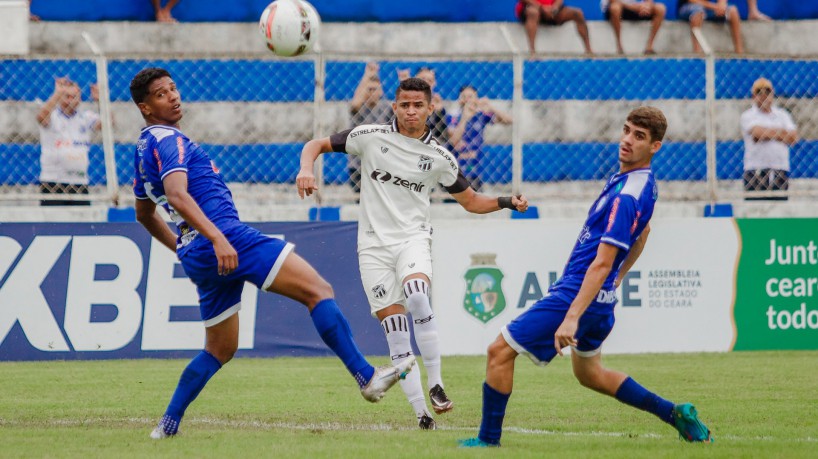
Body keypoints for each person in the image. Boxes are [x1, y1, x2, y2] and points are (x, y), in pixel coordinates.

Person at [128, 67, 414, 439]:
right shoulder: (169, 140)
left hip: (199, 252)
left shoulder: (142, 149)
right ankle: (366, 377)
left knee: (219, 349)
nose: (174, 96)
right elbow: (178, 196)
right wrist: (217, 238)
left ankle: (167, 425)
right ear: (145, 107)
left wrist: (183, 250)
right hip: (226, 237)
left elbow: (143, 213)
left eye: (173, 88)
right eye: (162, 94)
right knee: (318, 290)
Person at [458, 107, 714, 447]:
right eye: (626, 131)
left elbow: (601, 263)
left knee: (499, 351)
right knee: (591, 375)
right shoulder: (642, 184)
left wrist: (571, 317)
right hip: (600, 299)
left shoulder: (626, 196)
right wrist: (617, 280)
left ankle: (487, 442)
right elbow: (644, 232)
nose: (627, 140)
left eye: (639, 136)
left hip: (578, 293)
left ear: (655, 147)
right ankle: (675, 413)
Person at [297, 78, 529, 430]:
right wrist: (304, 169)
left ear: (430, 107)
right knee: (395, 329)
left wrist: (506, 201)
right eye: (404, 104)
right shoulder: (370, 136)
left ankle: (436, 384)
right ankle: (421, 413)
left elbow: (471, 201)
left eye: (417, 105)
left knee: (418, 297)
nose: (410, 111)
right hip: (373, 247)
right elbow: (315, 144)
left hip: (412, 239)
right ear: (395, 106)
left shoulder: (438, 156)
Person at [36, 77, 101, 206]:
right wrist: (57, 93)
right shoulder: (53, 116)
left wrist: (101, 101)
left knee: (81, 225)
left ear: (80, 98)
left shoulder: (85, 117)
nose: (70, 100)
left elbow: (107, 124)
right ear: (60, 97)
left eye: (74, 96)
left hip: (79, 182)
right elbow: (41, 117)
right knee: (51, 224)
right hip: (53, 182)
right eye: (66, 96)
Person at [740, 77, 798, 201]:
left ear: (772, 94)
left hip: (779, 169)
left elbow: (792, 137)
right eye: (759, 93)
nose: (764, 96)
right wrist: (781, 134)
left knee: (779, 211)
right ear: (753, 96)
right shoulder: (748, 115)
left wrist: (767, 134)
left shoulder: (782, 115)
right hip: (755, 170)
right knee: (754, 210)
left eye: (767, 92)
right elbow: (757, 133)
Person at [446, 85, 512, 192]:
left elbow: (508, 120)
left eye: (470, 96)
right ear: (460, 99)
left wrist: (490, 107)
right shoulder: (453, 116)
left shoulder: (480, 115)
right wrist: (465, 118)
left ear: (476, 99)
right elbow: (453, 140)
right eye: (464, 96)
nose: (467, 100)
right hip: (456, 167)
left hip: (475, 166)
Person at [348, 62, 394, 197]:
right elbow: (355, 103)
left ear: (381, 91)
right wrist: (367, 75)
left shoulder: (386, 108)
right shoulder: (360, 109)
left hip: (382, 164)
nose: (373, 93)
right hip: (359, 166)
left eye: (375, 89)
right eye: (369, 89)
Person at [515, 0, 593, 55]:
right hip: (532, 7)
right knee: (533, 12)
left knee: (578, 13)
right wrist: (542, 7)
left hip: (552, 11)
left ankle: (588, 51)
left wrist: (554, 8)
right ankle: (532, 52)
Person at [399, 67, 449, 144]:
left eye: (430, 80)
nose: (426, 83)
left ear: (434, 83)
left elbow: (443, 135)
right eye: (422, 79)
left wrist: (439, 112)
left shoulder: (438, 105)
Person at [677, 0, 744, 54]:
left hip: (708, 7)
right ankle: (697, 54)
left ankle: (739, 52)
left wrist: (721, 5)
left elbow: (721, 3)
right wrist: (715, 7)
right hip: (687, 7)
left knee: (733, 10)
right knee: (698, 12)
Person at [601, 0, 666, 55]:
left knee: (660, 8)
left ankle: (649, 47)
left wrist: (647, 6)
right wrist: (634, 7)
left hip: (637, 9)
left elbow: (649, 1)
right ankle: (619, 46)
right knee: (615, 8)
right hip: (618, 9)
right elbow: (613, 1)